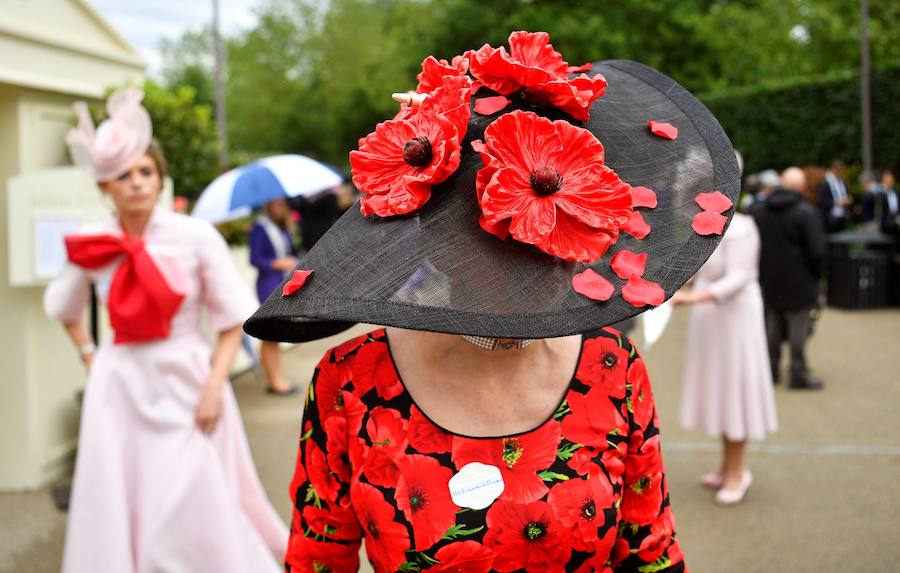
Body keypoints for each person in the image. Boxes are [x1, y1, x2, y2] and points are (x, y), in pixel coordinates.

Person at [244, 32, 743, 572]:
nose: (519, 273)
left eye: (539, 242)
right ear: (438, 243)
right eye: (487, 248)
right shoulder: (351, 380)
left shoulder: (612, 369)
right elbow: (317, 560)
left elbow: (650, 556)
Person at [45, 88, 287, 572]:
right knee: (128, 492)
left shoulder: (194, 236)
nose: (136, 183)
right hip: (121, 384)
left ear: (159, 178)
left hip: (189, 378)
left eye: (145, 172)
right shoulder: (92, 244)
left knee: (188, 493)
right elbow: (63, 307)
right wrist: (92, 356)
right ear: (104, 186)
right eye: (122, 175)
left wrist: (216, 387)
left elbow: (230, 320)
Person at [672, 151, 778, 505]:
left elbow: (739, 278)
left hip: (735, 323)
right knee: (720, 394)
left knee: (735, 395)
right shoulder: (706, 224)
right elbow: (701, 270)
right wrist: (678, 286)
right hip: (713, 323)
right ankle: (725, 467)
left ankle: (737, 472)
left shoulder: (744, 227)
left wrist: (693, 299)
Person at [750, 167, 826, 389]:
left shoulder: (760, 211)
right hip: (800, 280)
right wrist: (817, 276)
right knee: (798, 327)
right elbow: (817, 252)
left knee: (772, 323)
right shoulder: (806, 212)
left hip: (770, 278)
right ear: (802, 186)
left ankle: (771, 371)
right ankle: (797, 373)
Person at [249, 197, 300, 395]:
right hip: (268, 284)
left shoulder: (281, 226)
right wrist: (280, 263)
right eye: (276, 204)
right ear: (268, 206)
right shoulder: (261, 227)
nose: (281, 208)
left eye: (283, 204)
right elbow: (255, 259)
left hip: (281, 282)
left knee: (274, 333)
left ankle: (276, 377)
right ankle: (275, 381)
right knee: (269, 333)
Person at [816, 159, 852, 233]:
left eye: (842, 170)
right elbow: (821, 201)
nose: (841, 172)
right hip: (830, 219)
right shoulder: (825, 183)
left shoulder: (843, 182)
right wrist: (837, 203)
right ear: (833, 169)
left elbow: (846, 195)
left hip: (842, 217)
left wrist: (848, 200)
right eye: (839, 170)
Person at [861, 169, 899, 236]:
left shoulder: (895, 194)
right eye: (888, 177)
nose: (890, 179)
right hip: (882, 225)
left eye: (891, 177)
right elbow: (866, 203)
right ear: (883, 178)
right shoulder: (877, 192)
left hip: (895, 223)